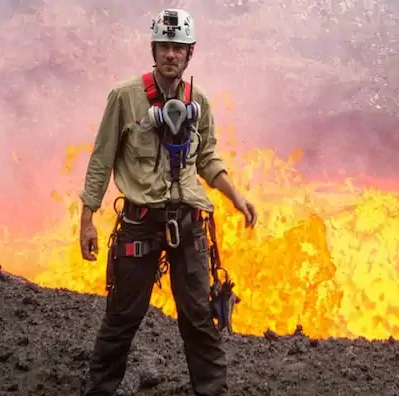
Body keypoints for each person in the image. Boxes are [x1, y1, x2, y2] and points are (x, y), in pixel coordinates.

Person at [77, 8, 257, 396]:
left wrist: (236, 197)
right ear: (153, 49)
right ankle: (99, 390)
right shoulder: (124, 98)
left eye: (178, 48)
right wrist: (87, 219)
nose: (170, 55)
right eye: (164, 46)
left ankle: (212, 390)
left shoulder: (200, 103)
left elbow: (208, 159)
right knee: (123, 316)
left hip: (188, 223)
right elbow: (102, 158)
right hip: (140, 223)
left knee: (198, 317)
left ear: (190, 53)